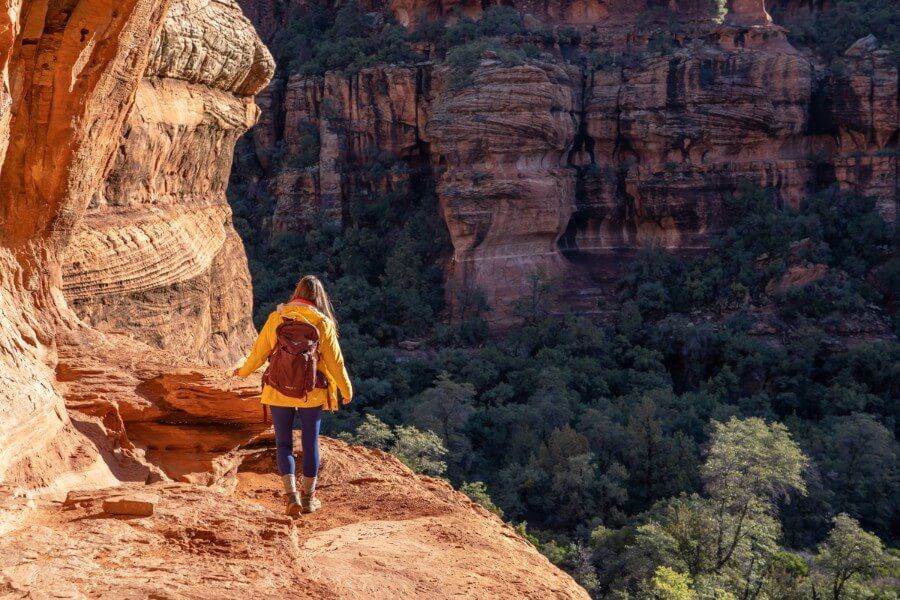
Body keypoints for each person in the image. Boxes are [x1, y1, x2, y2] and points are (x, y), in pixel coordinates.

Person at [233, 275, 352, 515]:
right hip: (312, 392)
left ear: (296, 293)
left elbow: (259, 353)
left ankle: (291, 497)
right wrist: (346, 389)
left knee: (284, 443)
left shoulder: (277, 317)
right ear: (319, 298)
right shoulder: (322, 322)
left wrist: (243, 372)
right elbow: (335, 362)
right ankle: (309, 499)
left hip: (278, 389)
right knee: (310, 443)